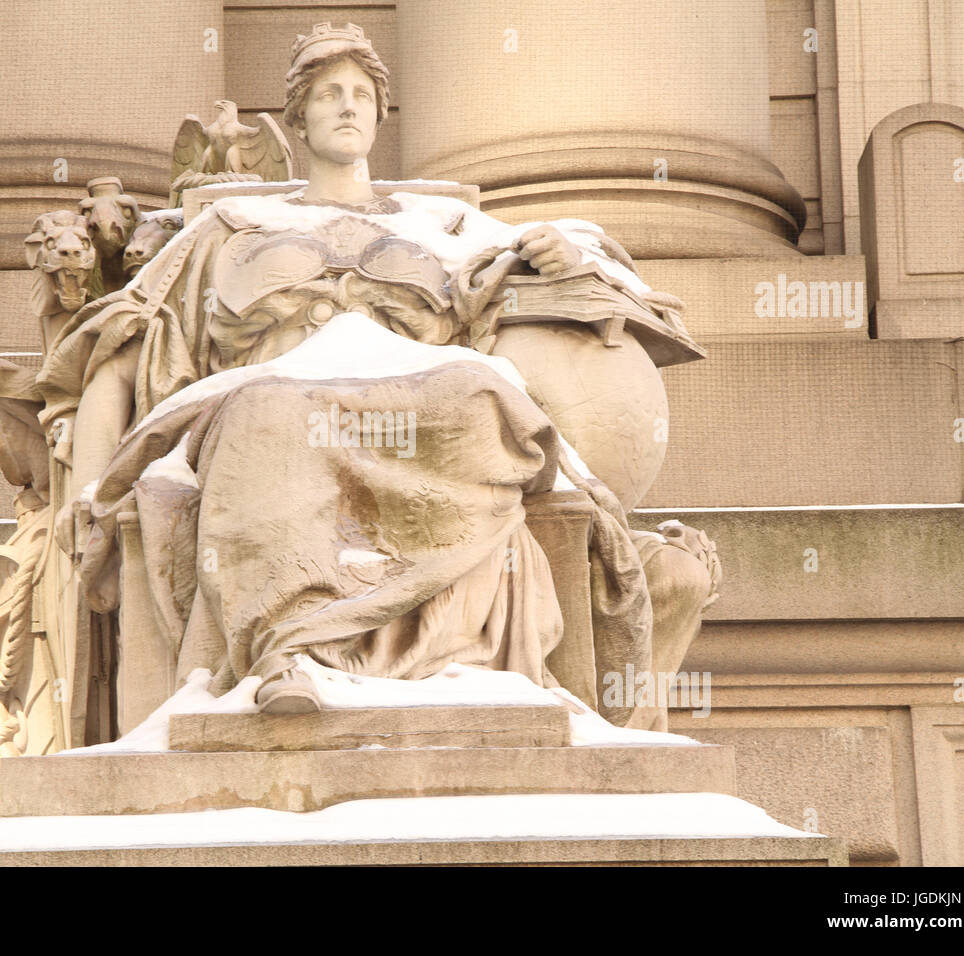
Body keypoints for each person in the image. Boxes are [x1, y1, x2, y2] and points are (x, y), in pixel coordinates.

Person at [36, 23, 660, 716]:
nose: (347, 105)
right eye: (328, 92)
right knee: (271, 416)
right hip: (275, 391)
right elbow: (119, 346)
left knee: (485, 394)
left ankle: (451, 659)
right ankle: (291, 653)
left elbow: (582, 257)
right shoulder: (234, 226)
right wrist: (89, 485)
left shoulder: (444, 225)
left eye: (362, 93)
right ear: (298, 118)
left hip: (418, 394)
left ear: (379, 112)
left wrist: (560, 251)